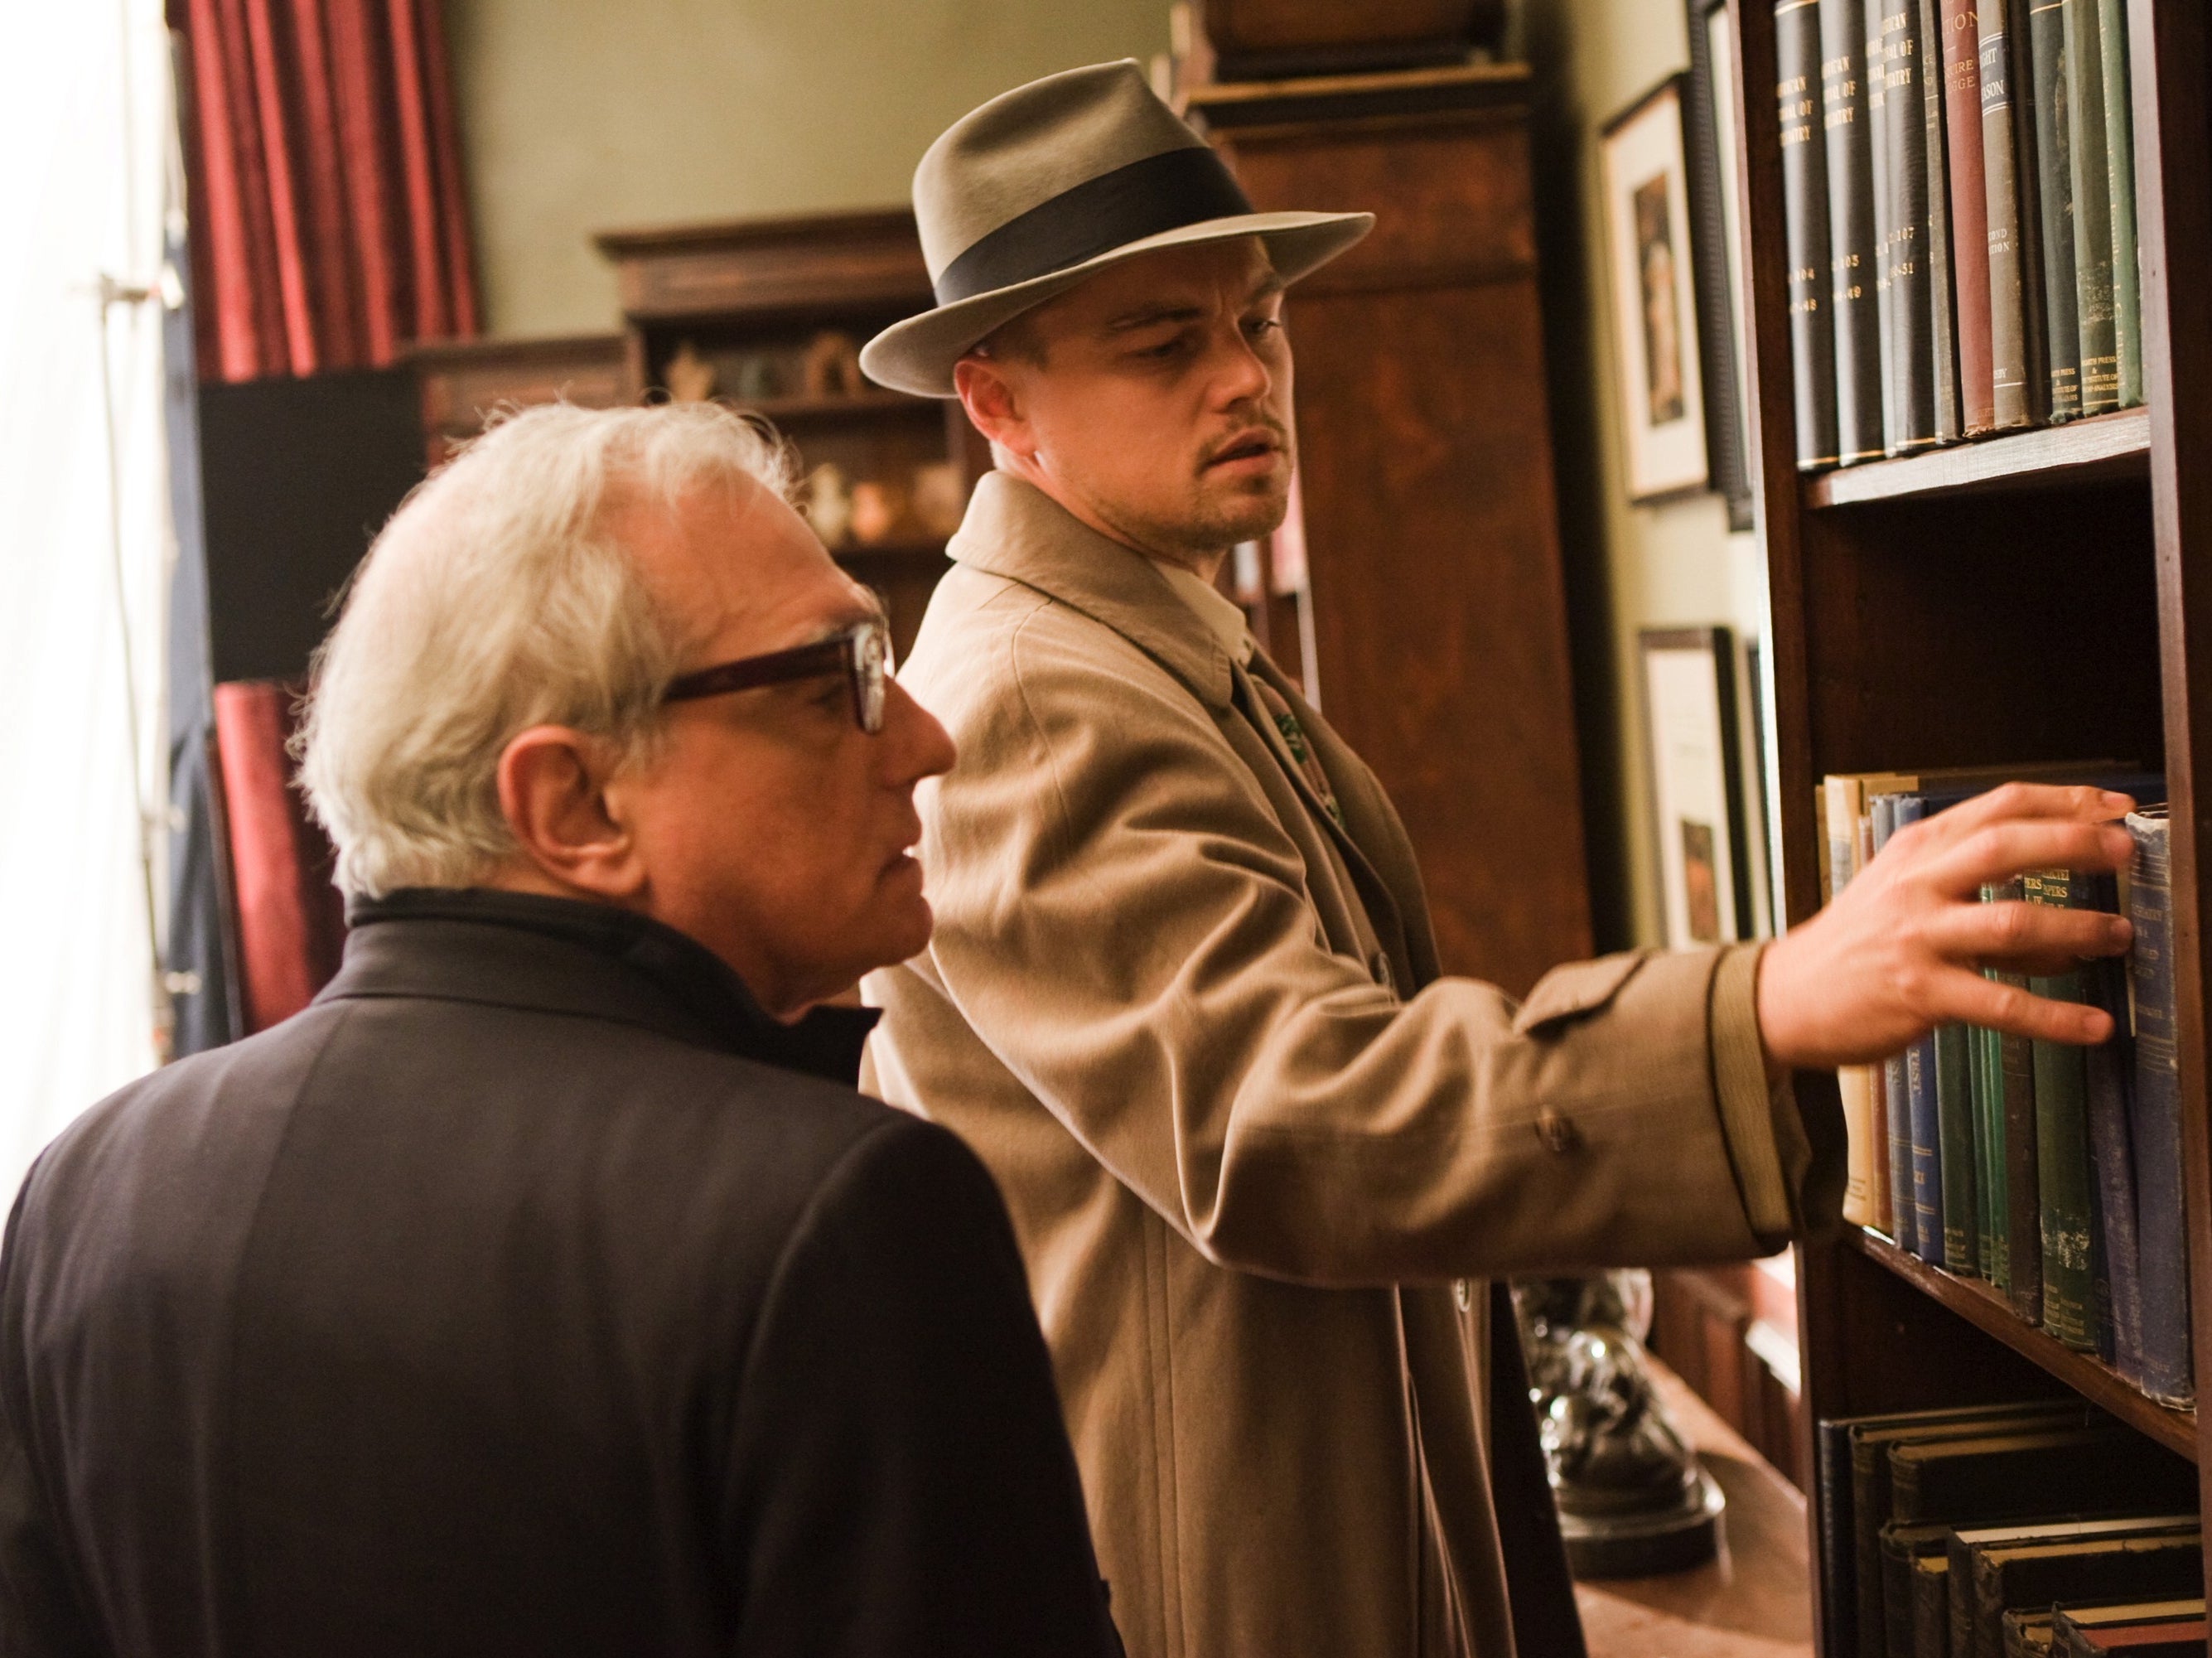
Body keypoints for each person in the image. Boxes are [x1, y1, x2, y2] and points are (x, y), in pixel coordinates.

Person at [856, 60, 2138, 1658]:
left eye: (1256, 321)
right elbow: (1288, 1116)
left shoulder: (1136, 638)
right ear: (996, 402)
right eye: (1161, 344)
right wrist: (1758, 1009)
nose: (1243, 378)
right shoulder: (1037, 695)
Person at [0, 404, 1123, 1657]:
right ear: (573, 801)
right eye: (835, 684)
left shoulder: (86, 1183)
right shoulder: (840, 1212)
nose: (927, 737)